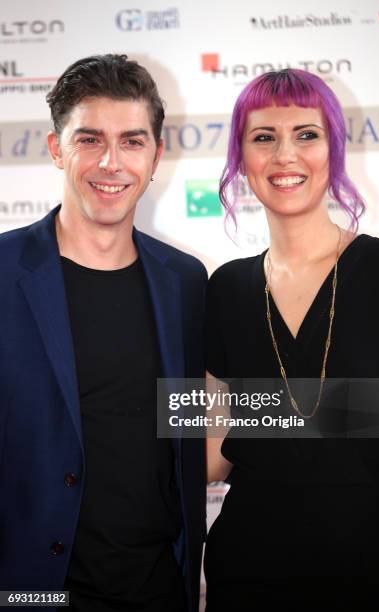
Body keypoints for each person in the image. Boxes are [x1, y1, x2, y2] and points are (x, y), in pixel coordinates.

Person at [0, 54, 207, 612]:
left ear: (156, 155)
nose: (111, 162)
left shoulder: (186, 283)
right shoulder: (2, 272)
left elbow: (191, 425)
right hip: (32, 594)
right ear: (55, 148)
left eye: (133, 142)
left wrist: (366, 412)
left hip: (160, 589)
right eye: (89, 139)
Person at [204, 69, 379, 611]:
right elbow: (210, 453)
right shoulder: (225, 287)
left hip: (372, 575)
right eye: (263, 136)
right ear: (241, 158)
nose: (284, 155)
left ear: (334, 149)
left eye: (306, 134)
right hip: (246, 574)